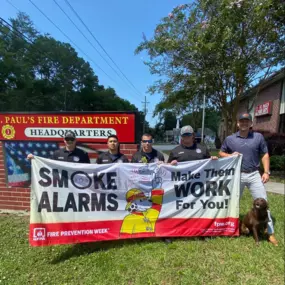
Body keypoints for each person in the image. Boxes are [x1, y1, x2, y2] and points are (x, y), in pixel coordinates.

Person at [219, 113, 278, 246]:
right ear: (237, 123)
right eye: (241, 121)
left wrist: (266, 172)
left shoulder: (258, 137)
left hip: (253, 174)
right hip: (236, 175)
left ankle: (270, 233)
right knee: (232, 203)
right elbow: (221, 153)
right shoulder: (230, 139)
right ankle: (230, 228)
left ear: (251, 123)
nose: (244, 123)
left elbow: (265, 154)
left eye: (247, 121)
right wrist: (229, 155)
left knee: (264, 203)